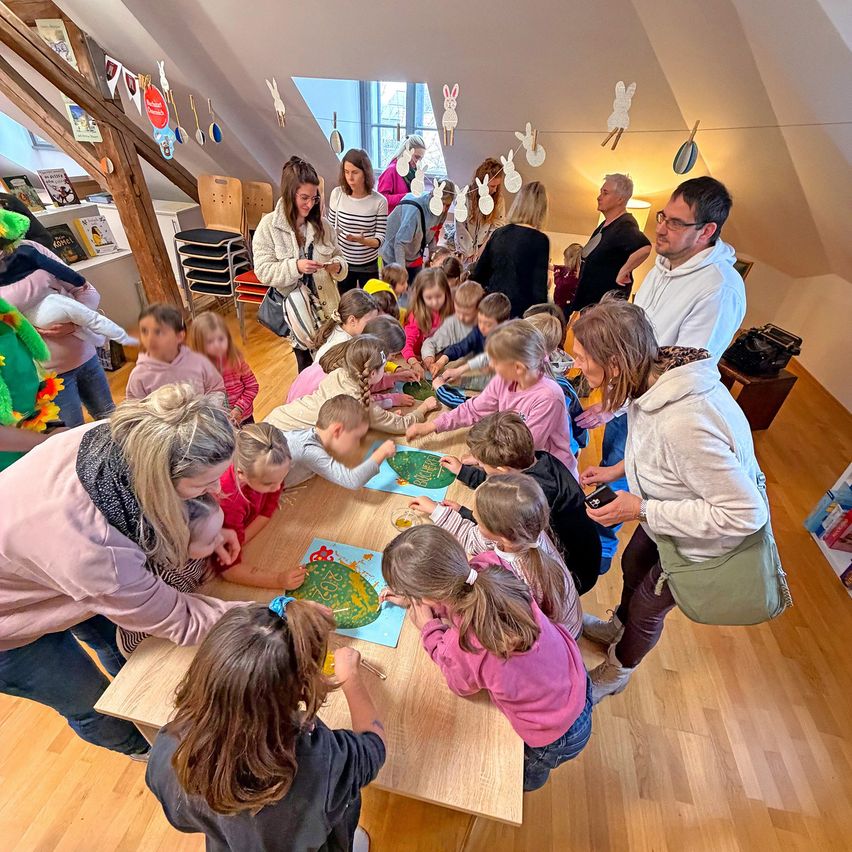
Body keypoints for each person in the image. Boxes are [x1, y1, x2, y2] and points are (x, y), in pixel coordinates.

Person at [0, 385, 243, 755]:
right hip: (10, 626)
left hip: (45, 565)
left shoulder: (116, 437)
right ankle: (143, 748)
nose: (215, 489)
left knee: (111, 638)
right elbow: (182, 619)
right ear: (161, 481)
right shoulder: (98, 555)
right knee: (88, 699)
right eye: (206, 484)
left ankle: (135, 695)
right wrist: (270, 616)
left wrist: (208, 531)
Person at [572, 298, 768, 703]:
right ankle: (616, 629)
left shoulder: (686, 420)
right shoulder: (652, 380)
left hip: (705, 535)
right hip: (668, 510)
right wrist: (615, 473)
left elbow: (746, 513)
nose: (577, 368)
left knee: (648, 606)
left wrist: (640, 508)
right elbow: (655, 448)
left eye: (581, 357)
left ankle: (618, 669)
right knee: (632, 565)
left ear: (613, 363)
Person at [577, 177, 744, 573]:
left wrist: (614, 407)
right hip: (638, 401)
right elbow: (634, 340)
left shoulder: (719, 289)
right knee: (621, 476)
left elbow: (682, 367)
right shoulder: (661, 267)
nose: (661, 228)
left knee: (639, 510)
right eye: (661, 217)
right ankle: (609, 573)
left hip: (660, 410)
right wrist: (616, 403)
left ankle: (600, 553)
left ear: (706, 231)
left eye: (675, 222)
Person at [146, 600, 385, 851]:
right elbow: (374, 745)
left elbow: (182, 820)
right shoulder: (321, 761)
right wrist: (351, 678)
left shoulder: (171, 747)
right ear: (300, 688)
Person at [381, 526, 591, 792]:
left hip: (556, 731)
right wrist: (427, 601)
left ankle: (523, 790)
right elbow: (460, 592)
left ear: (426, 595)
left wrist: (428, 628)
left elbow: (460, 684)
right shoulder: (488, 566)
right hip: (576, 680)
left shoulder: (468, 643)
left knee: (522, 776)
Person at [439, 412, 601, 594]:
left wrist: (464, 513)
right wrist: (464, 472)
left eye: (482, 465)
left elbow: (502, 527)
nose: (481, 467)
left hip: (568, 577)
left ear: (502, 470)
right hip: (583, 556)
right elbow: (503, 485)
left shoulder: (532, 496)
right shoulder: (540, 459)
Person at [409, 474, 583, 638]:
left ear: (500, 536)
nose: (474, 518)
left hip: (558, 638)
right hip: (570, 620)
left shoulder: (512, 578)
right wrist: (437, 510)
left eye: (477, 518)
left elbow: (501, 625)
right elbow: (473, 538)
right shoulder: (526, 532)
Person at [406, 319, 578, 479]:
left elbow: (524, 449)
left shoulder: (548, 397)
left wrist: (481, 456)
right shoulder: (505, 379)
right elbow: (473, 409)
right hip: (513, 463)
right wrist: (431, 426)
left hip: (552, 475)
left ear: (518, 367)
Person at [0, 221, 114, 428]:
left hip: (85, 355)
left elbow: (85, 290)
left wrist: (74, 325)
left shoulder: (30, 250)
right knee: (72, 434)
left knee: (111, 419)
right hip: (47, 373)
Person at [253, 157, 348, 373]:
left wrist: (337, 267)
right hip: (298, 316)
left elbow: (341, 258)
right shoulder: (269, 227)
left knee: (333, 364)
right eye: (304, 198)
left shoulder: (323, 225)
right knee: (308, 370)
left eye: (314, 198)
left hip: (328, 309)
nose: (310, 204)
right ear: (289, 194)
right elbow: (263, 271)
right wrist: (295, 267)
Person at [0, 209, 136, 348]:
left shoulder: (28, 248)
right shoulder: (26, 252)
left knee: (88, 321)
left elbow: (87, 291)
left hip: (68, 345)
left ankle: (109, 339)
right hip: (44, 335)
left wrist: (74, 326)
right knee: (91, 319)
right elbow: (57, 269)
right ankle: (116, 338)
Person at [116, 495, 229, 657]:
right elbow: (172, 622)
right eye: (211, 540)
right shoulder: (161, 576)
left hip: (178, 622)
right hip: (146, 644)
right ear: (179, 545)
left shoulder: (193, 552)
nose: (221, 539)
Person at [265, 336, 438, 436]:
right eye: (383, 369)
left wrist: (381, 409)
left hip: (278, 417)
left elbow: (361, 395)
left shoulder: (341, 373)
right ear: (372, 374)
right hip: (283, 436)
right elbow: (402, 425)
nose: (386, 371)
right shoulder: (358, 404)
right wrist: (424, 408)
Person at [216, 423, 296, 588]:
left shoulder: (270, 472)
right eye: (269, 484)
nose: (278, 487)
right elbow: (229, 569)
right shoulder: (229, 502)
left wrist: (240, 540)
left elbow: (267, 511)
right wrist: (278, 580)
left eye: (282, 478)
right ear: (241, 473)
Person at [286, 316, 413, 406]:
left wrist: (394, 377)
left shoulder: (353, 350)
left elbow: (365, 385)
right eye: (392, 355)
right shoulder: (346, 373)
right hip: (305, 425)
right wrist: (392, 399)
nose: (393, 359)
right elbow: (363, 405)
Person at [570, 174, 651, 313]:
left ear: (620, 199)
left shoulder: (625, 225)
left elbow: (644, 247)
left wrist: (624, 270)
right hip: (588, 306)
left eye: (605, 193)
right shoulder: (605, 225)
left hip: (603, 311)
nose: (599, 196)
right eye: (601, 192)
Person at [0, 296, 62, 470]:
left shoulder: (7, 319)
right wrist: (47, 442)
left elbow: (25, 382)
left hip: (33, 437)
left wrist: (47, 427)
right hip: (9, 466)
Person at [471, 181, 550, 318]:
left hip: (491, 309)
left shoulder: (499, 233)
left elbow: (479, 275)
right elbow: (538, 291)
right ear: (541, 209)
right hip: (518, 315)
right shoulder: (540, 240)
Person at [285, 395, 397, 489]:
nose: (358, 444)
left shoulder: (312, 437)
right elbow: (352, 480)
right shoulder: (309, 451)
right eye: (356, 438)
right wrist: (381, 453)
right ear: (337, 430)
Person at [126, 304, 226, 404]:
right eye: (144, 331)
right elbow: (134, 410)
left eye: (158, 332)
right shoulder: (138, 376)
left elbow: (216, 389)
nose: (150, 339)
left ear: (179, 336)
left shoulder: (199, 362)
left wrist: (207, 413)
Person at [327, 149, 388, 292]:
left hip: (368, 264)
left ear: (365, 173)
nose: (350, 178)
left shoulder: (379, 201)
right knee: (346, 306)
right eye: (346, 172)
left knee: (371, 306)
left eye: (355, 172)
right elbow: (330, 229)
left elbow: (380, 239)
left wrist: (363, 240)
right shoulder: (337, 194)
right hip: (343, 263)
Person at [188, 310, 259, 425]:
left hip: (245, 418)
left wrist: (239, 408)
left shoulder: (236, 360)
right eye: (210, 341)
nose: (217, 345)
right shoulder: (197, 370)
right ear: (199, 345)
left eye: (221, 339)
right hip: (219, 424)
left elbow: (252, 386)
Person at [380, 182, 456, 283]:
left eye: (448, 205)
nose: (444, 209)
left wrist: (433, 257)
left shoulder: (443, 212)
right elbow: (399, 244)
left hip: (415, 252)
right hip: (393, 252)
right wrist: (402, 272)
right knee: (398, 290)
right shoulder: (414, 212)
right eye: (442, 204)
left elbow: (433, 233)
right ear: (433, 197)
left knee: (417, 286)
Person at [433, 292, 512, 385]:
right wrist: (442, 360)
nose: (482, 327)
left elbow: (487, 358)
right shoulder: (479, 331)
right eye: (480, 321)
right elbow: (463, 346)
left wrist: (461, 375)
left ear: (504, 324)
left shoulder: (509, 339)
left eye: (488, 324)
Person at [421, 280, 484, 373]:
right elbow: (430, 342)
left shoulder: (485, 326)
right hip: (456, 376)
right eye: (458, 312)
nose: (461, 317)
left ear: (479, 310)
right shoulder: (452, 322)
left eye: (467, 314)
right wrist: (428, 357)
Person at [453, 158, 506, 263]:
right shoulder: (464, 196)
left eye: (497, 186)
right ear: (481, 182)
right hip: (464, 246)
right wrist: (469, 252)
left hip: (484, 244)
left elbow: (497, 227)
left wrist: (483, 248)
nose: (495, 190)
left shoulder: (498, 199)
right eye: (492, 186)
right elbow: (460, 226)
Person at [401, 267, 453, 370]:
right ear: (420, 297)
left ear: (446, 293)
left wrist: (440, 357)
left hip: (437, 355)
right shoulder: (416, 315)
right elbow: (406, 343)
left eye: (439, 296)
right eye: (429, 298)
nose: (434, 302)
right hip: (415, 356)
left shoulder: (450, 310)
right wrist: (414, 362)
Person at [312, 289, 378, 362]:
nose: (374, 326)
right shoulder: (344, 346)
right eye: (369, 322)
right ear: (352, 320)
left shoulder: (338, 328)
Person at [377, 134, 426, 213]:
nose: (418, 162)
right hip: (393, 219)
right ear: (406, 152)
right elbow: (381, 199)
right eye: (416, 157)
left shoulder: (415, 171)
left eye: (421, 158)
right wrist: (407, 197)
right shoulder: (391, 170)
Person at [553, 243, 582, 319]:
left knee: (561, 321)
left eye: (565, 258)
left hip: (565, 305)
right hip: (559, 303)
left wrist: (557, 272)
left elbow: (559, 283)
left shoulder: (574, 276)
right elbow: (560, 267)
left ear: (570, 259)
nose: (563, 259)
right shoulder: (569, 270)